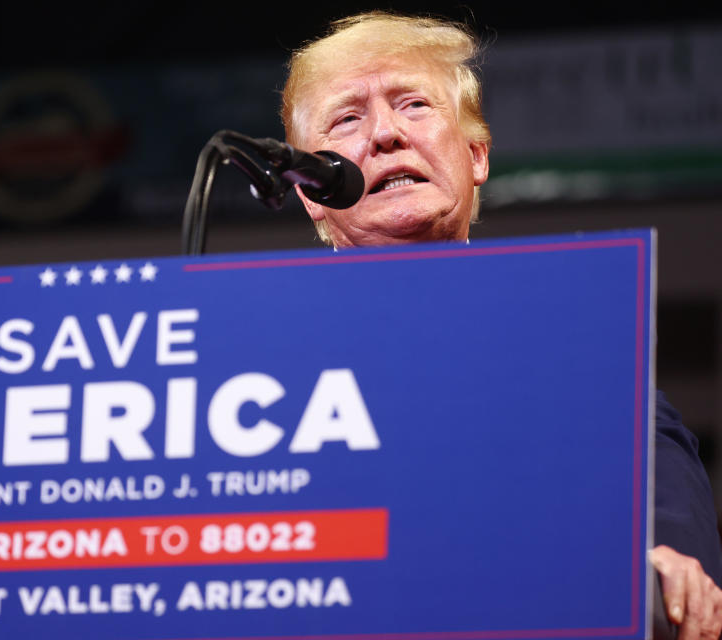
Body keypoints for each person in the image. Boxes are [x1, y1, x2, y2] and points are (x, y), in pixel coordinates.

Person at [281, 11, 722, 640]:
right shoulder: (266, 350)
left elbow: (653, 464)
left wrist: (668, 556)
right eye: (346, 118)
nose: (384, 134)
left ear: (477, 155)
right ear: (310, 191)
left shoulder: (564, 339)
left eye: (413, 104)